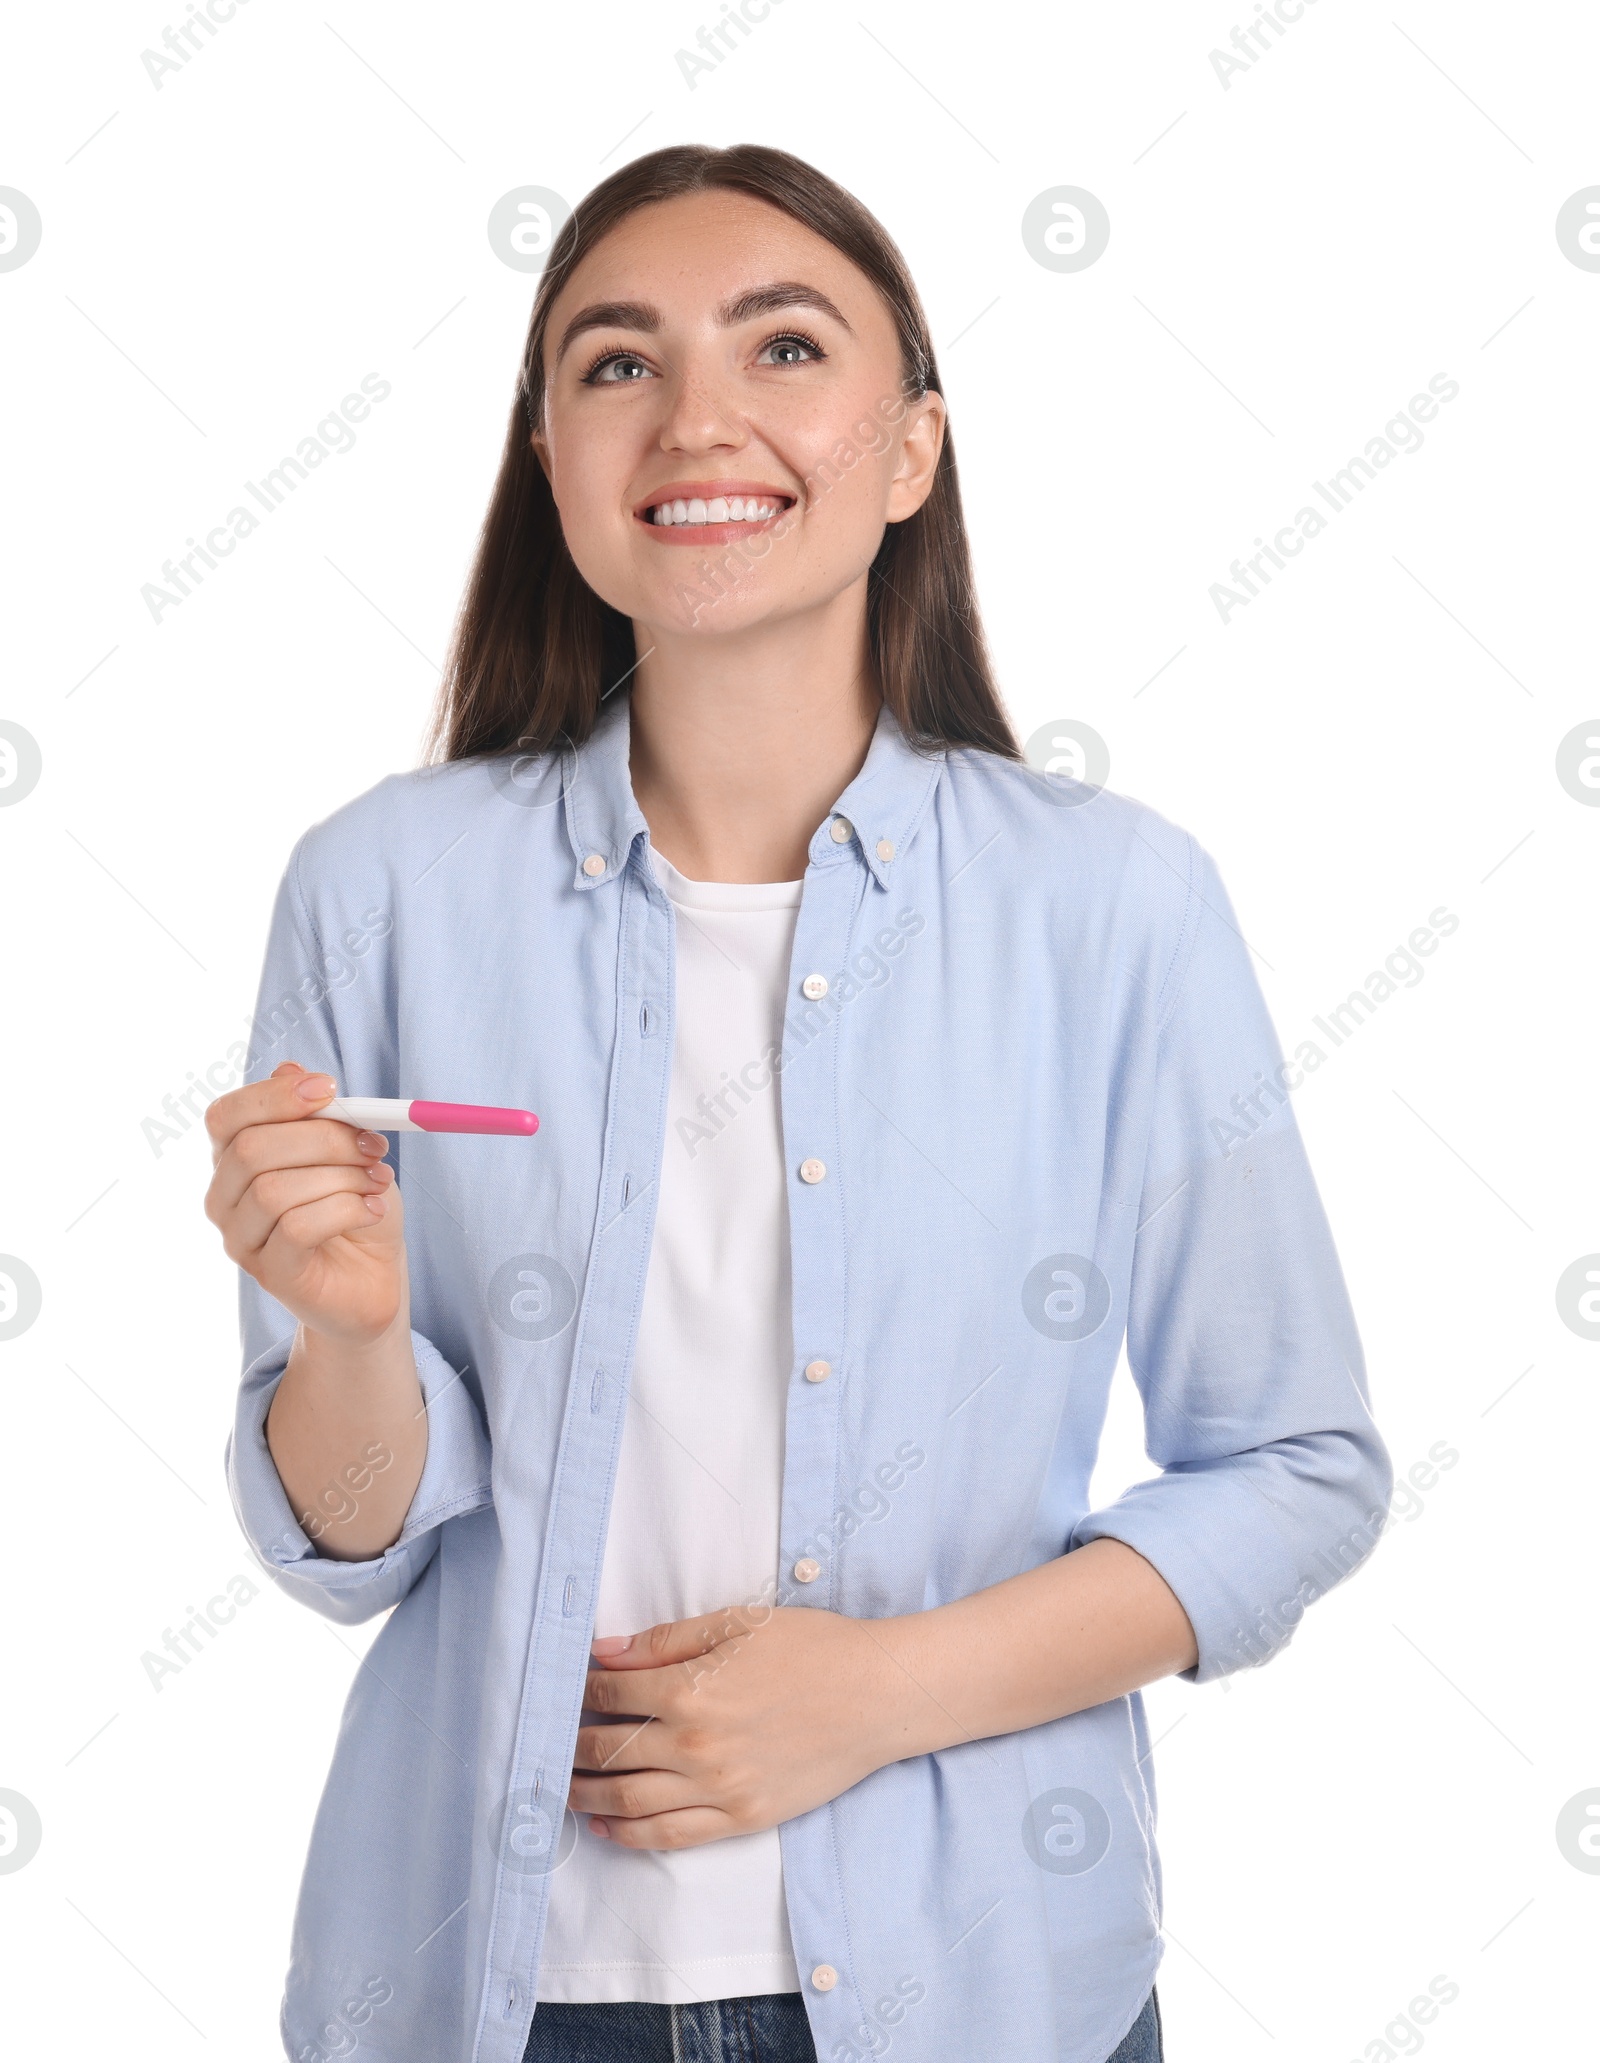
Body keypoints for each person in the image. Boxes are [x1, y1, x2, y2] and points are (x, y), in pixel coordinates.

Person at [207, 143, 1391, 2063]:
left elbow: (1298, 1469)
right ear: (547, 458)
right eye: (616, 363)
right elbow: (355, 1545)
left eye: (782, 349)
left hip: (985, 1996)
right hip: (492, 2003)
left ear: (912, 450)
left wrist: (878, 1694)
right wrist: (346, 1341)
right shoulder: (383, 890)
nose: (697, 418)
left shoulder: (1114, 906)